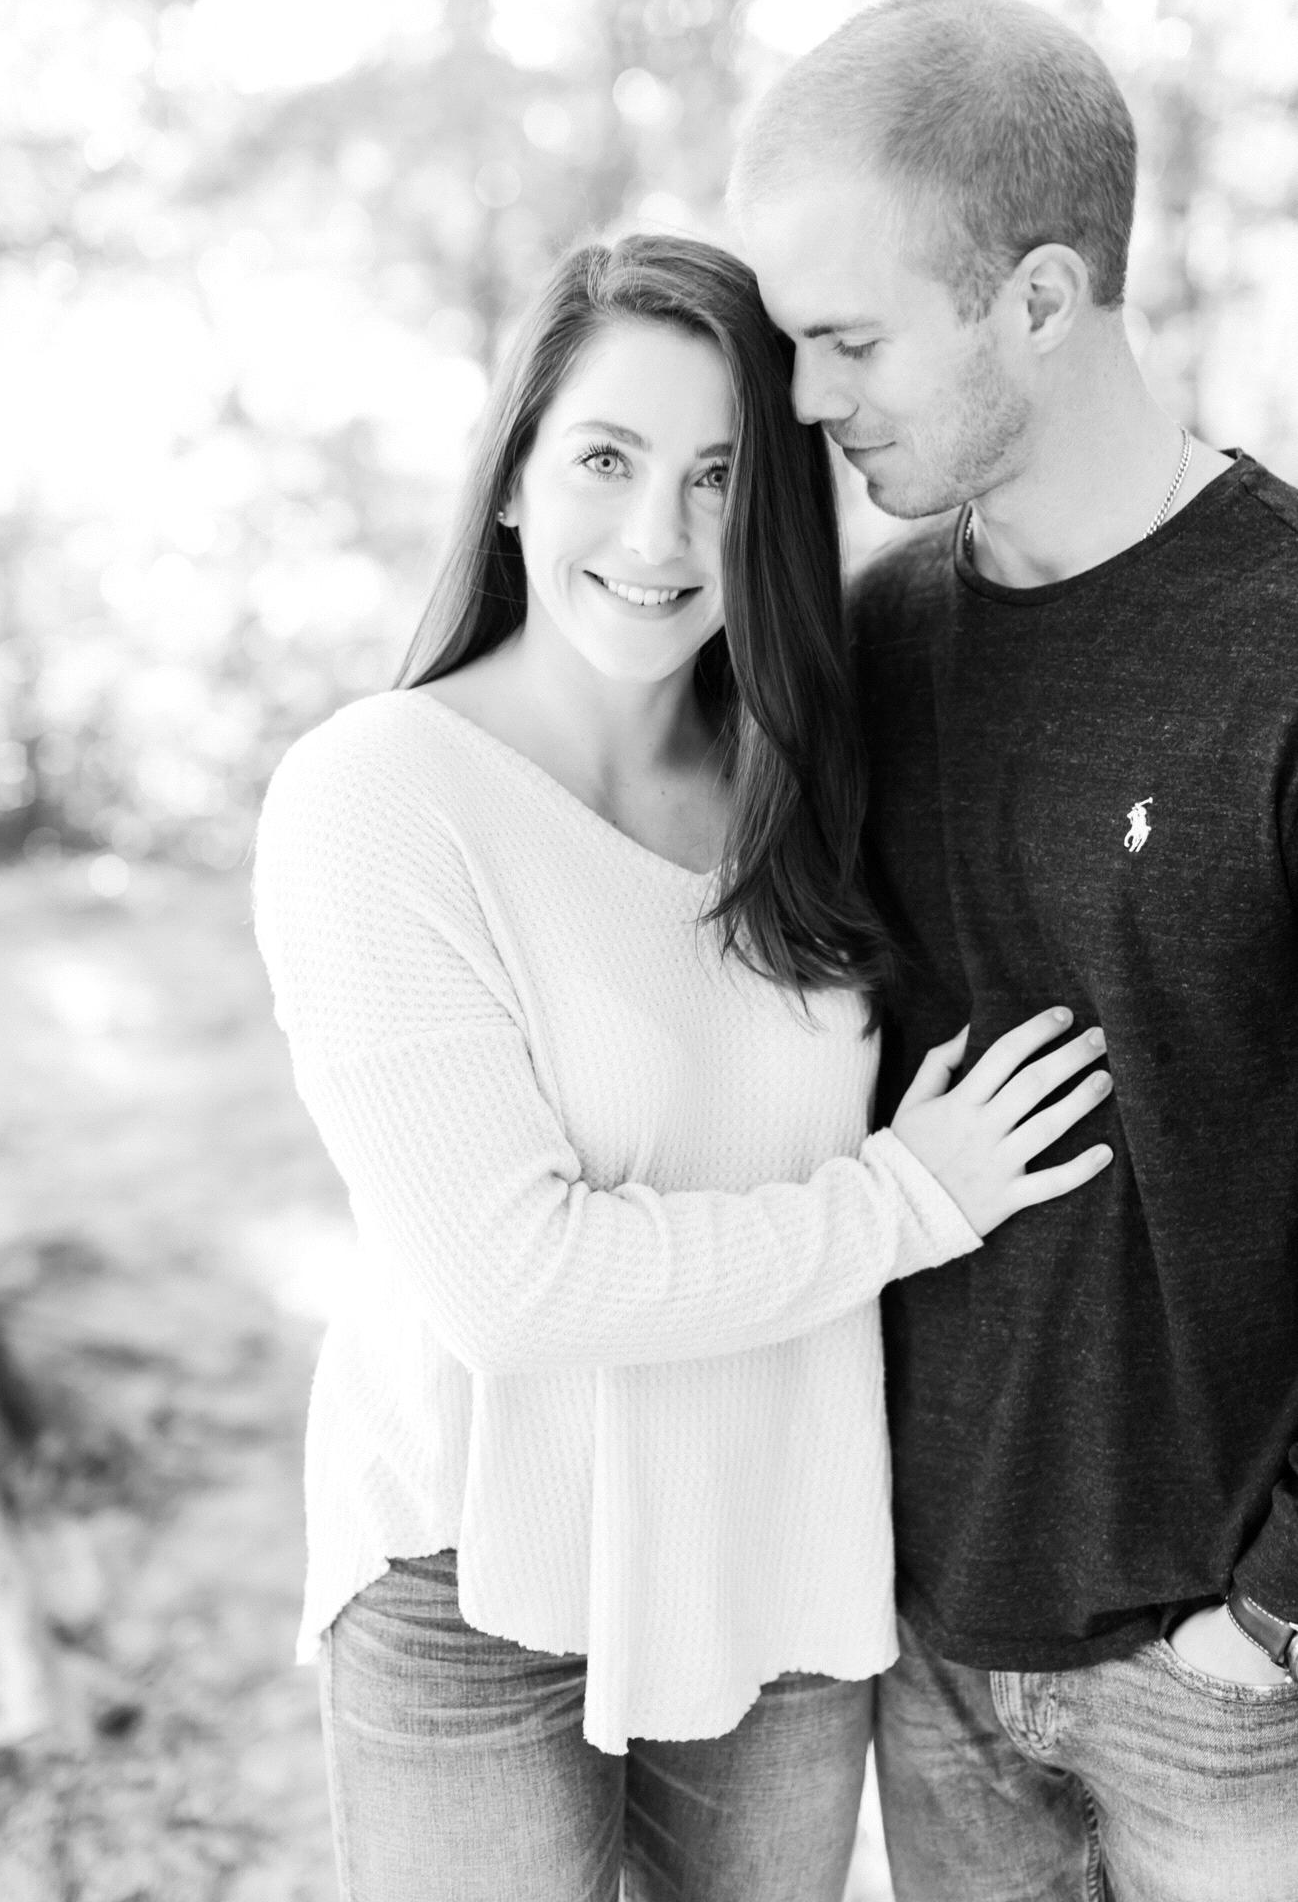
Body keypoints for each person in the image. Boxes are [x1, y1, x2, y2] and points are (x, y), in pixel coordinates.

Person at [251, 231, 1113, 1902]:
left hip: (775, 1553)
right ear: (512, 480)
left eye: (720, 478)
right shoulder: (380, 795)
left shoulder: (804, 772)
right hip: (480, 1571)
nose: (658, 536)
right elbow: (512, 1283)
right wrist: (903, 1202)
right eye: (606, 459)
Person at [731, 0, 1298, 1902]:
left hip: (1226, 1697)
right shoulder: (867, 647)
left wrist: (1269, 1619)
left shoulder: (1280, 650)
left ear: (1040, 299)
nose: (804, 401)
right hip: (927, 1652)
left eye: (851, 340)